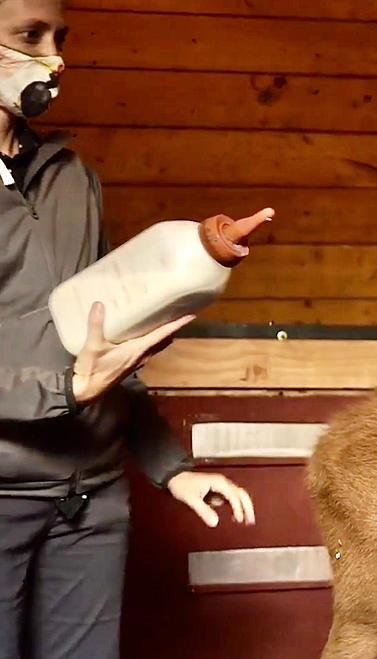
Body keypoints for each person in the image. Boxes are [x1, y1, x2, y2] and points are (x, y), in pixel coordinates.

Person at [0, 2, 257, 658]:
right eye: (30, 35)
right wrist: (61, 386)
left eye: (61, 37)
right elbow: (78, 371)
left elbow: (112, 340)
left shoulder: (72, 179)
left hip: (93, 499)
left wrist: (170, 468)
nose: (56, 57)